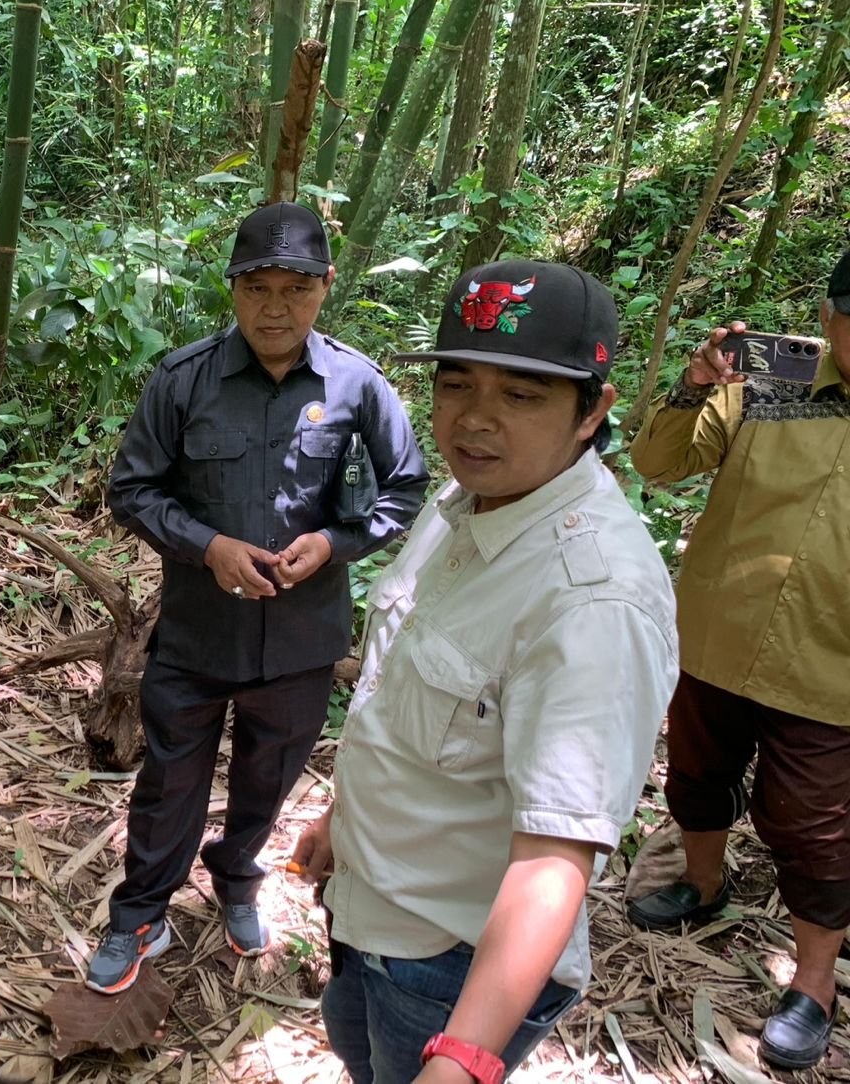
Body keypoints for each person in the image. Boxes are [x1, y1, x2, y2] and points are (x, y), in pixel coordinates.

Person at [294, 260, 679, 1084]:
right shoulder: (466, 502)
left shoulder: (592, 599)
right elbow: (401, 695)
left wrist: (464, 1057)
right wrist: (343, 817)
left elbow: (555, 856)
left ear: (592, 411)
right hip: (370, 906)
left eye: (522, 395)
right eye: (456, 385)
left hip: (451, 962)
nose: (475, 418)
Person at [90, 202, 430, 994]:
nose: (276, 309)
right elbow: (133, 490)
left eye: (296, 290)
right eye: (257, 289)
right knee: (170, 780)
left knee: (268, 777)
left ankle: (237, 877)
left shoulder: (358, 384)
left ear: (326, 287)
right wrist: (208, 546)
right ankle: (140, 912)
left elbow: (405, 488)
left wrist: (334, 544)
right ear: (233, 289)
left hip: (303, 638)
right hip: (198, 633)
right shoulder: (184, 380)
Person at [624, 251, 850, 1069]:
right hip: (717, 636)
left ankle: (813, 983)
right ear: (828, 317)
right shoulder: (771, 378)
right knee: (696, 774)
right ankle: (704, 881)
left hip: (830, 667)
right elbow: (658, 463)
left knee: (815, 828)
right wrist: (694, 385)